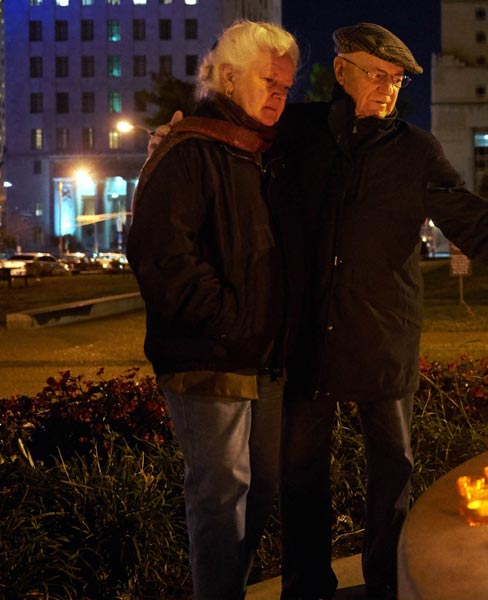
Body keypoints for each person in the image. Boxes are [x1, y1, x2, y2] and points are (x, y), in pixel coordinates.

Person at [270, 23, 488, 600]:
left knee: (391, 469)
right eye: (376, 75)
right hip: (306, 339)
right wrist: (179, 133)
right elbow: (231, 144)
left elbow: (474, 219)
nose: (387, 89)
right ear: (341, 70)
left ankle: (386, 583)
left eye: (395, 80)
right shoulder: (295, 135)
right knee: (299, 475)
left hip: (382, 335)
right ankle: (305, 587)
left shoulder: (415, 152)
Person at [126, 21, 299, 600]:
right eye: (267, 81)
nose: (279, 94)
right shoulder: (189, 150)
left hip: (264, 358)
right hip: (209, 357)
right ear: (226, 76)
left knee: (262, 489)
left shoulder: (264, 152)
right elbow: (164, 257)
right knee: (221, 494)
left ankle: (226, 588)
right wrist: (232, 322)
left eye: (285, 86)